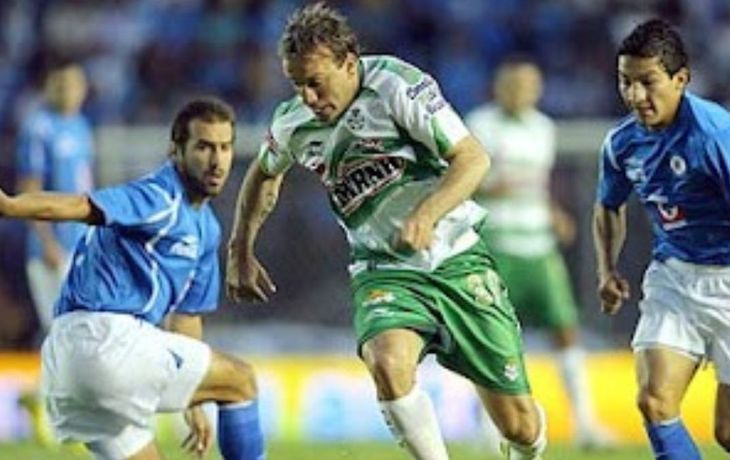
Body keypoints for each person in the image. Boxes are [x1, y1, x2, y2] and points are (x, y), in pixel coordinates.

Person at [226, 3, 547, 459]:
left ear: (348, 63)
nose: (308, 97)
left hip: (456, 257)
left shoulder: (398, 85)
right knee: (387, 362)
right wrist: (240, 249)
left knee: (521, 426)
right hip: (383, 268)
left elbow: (473, 158)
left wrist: (426, 215)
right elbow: (263, 174)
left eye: (316, 82)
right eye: (297, 85)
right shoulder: (292, 122)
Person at [0, 97, 266, 460]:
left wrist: (194, 400)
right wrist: (11, 206)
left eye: (225, 147)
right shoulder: (158, 197)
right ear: (176, 150)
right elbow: (81, 206)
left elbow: (187, 317)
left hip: (69, 361)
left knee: (226, 385)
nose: (217, 161)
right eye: (203, 147)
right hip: (108, 340)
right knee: (241, 380)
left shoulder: (206, 228)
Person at [593, 18, 730, 459]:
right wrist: (607, 269)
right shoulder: (621, 143)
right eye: (625, 82)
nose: (635, 95)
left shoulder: (715, 135)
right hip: (675, 279)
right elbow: (608, 205)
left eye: (647, 82)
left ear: (681, 79)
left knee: (728, 432)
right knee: (654, 401)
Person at [466, 57, 613, 448]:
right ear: (498, 87)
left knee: (565, 329)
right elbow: (458, 179)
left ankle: (585, 424)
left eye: (527, 85)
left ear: (537, 89)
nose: (519, 92)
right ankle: (488, 429)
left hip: (539, 244)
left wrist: (553, 212)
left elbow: (538, 183)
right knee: (491, 336)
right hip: (496, 244)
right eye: (512, 84)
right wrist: (487, 188)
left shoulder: (543, 128)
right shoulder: (480, 124)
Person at [14, 58, 95, 446]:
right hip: (51, 250)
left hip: (79, 246)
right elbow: (29, 187)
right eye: (61, 85)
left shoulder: (81, 126)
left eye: (75, 85)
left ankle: (41, 398)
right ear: (49, 86)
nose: (69, 92)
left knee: (70, 333)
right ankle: (65, 415)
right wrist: (45, 240)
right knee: (67, 331)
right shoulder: (38, 128)